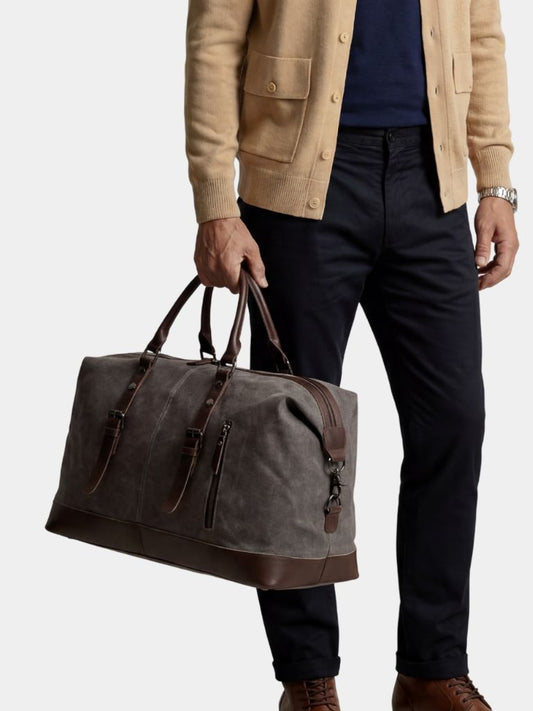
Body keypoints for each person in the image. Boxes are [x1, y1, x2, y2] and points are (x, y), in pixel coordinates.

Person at [184, 1, 519, 709]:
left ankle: (430, 668)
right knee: (295, 442)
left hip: (432, 183)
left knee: (453, 424)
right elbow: (215, 38)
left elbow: (482, 33)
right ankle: (307, 674)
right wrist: (215, 203)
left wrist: (495, 181)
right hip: (299, 184)